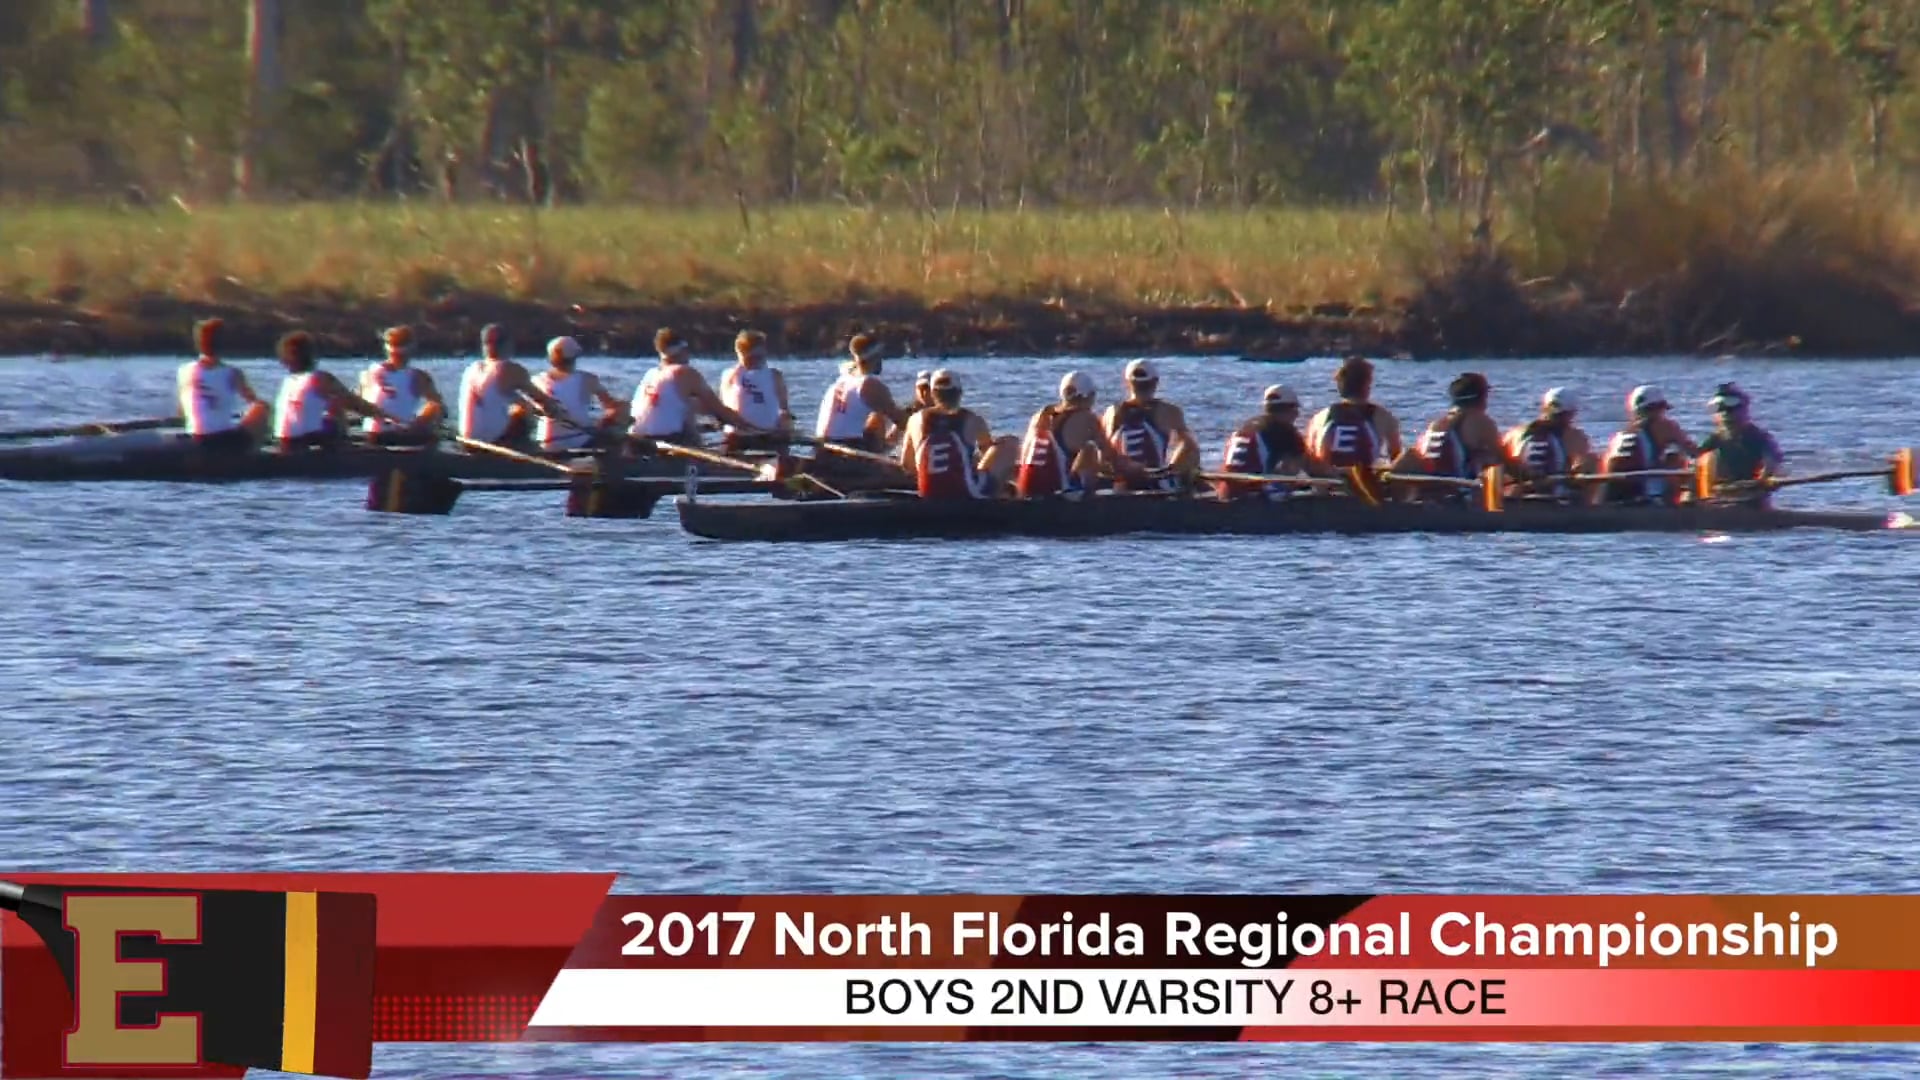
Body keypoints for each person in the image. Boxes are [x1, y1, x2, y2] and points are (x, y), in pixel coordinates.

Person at [898, 369, 1018, 500]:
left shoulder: (914, 420)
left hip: (927, 492)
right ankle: (1002, 498)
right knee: (1010, 443)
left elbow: (907, 464)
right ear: (960, 393)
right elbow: (988, 457)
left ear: (932, 394)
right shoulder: (973, 419)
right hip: (966, 493)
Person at [630, 328, 757, 447]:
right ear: (683, 351)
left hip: (638, 439)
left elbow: (690, 406)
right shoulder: (685, 372)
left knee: (688, 407)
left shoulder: (651, 374)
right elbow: (719, 410)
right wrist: (751, 428)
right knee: (693, 425)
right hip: (668, 441)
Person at [271, 331, 394, 452]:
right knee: (336, 405)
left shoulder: (288, 382)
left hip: (284, 441)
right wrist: (386, 416)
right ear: (312, 355)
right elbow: (354, 403)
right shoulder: (320, 378)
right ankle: (343, 446)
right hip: (305, 439)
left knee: (327, 408)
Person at [1395, 373, 1505, 496]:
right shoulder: (1481, 422)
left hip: (1429, 485)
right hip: (1457, 490)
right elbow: (1503, 459)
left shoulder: (1436, 424)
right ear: (1482, 398)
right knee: (1488, 458)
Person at [457, 324, 564, 447]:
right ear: (508, 345)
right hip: (491, 442)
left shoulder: (471, 369)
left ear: (483, 346)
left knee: (521, 406)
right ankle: (526, 450)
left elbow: (506, 397)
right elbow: (544, 402)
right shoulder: (511, 369)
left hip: (466, 440)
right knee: (524, 412)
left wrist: (535, 408)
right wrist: (559, 413)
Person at [1102, 359, 1199, 491]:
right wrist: (1171, 468)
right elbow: (1190, 447)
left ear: (1127, 383)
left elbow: (1104, 454)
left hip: (1120, 486)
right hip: (1155, 483)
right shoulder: (1169, 411)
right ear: (1155, 382)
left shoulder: (1110, 412)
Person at [176, 318, 268, 454]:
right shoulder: (233, 373)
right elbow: (254, 403)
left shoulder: (183, 370)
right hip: (221, 439)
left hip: (194, 436)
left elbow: (181, 411)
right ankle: (254, 454)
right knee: (263, 407)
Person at [1015, 371, 1111, 499]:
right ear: (1090, 396)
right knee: (1090, 449)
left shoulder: (1038, 416)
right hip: (1059, 496)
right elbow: (1111, 457)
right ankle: (1090, 501)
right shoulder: (1087, 418)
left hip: (1026, 490)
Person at [1597, 384, 1697, 505]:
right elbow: (1694, 453)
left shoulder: (1618, 436)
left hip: (1614, 499)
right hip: (1645, 498)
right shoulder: (1667, 427)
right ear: (1657, 409)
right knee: (1677, 460)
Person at [1217, 384, 1316, 501]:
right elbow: (1310, 467)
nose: (1297, 415)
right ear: (1290, 410)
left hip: (1225, 496)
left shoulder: (1243, 428)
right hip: (1253, 502)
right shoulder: (1284, 431)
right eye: (1296, 411)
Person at [815, 333, 909, 451]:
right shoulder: (870, 384)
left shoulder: (840, 381)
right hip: (846, 453)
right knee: (879, 418)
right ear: (875, 357)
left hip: (821, 449)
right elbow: (904, 422)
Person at [531, 336, 625, 452]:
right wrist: (602, 424)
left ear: (550, 357)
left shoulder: (535, 380)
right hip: (580, 441)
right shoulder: (588, 379)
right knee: (622, 412)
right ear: (576, 356)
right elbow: (612, 408)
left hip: (546, 443)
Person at [1307, 355, 1402, 469]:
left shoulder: (1319, 418)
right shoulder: (1383, 417)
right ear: (1367, 384)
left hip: (1328, 481)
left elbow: (1311, 456)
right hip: (1363, 483)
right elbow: (1396, 459)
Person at [357, 326, 446, 446]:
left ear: (387, 348)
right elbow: (440, 407)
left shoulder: (368, 373)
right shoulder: (418, 376)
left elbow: (359, 406)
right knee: (434, 421)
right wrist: (420, 421)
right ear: (412, 348)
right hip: (401, 435)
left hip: (371, 435)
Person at [1697, 383, 1784, 501]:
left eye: (1731, 410)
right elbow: (1695, 459)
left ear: (1745, 410)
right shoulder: (1714, 439)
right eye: (1720, 409)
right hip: (1719, 495)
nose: (1725, 414)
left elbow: (1773, 464)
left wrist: (1764, 479)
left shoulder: (1760, 438)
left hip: (1752, 498)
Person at [1504, 387, 1594, 499]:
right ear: (1571, 413)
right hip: (1555, 498)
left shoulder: (1515, 434)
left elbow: (1503, 462)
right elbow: (1582, 467)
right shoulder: (1575, 437)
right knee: (1592, 461)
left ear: (1543, 408)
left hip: (1520, 496)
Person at [718, 330, 793, 454]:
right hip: (758, 436)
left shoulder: (728, 375)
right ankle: (784, 461)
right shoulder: (774, 375)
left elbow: (784, 411)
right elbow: (784, 411)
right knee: (785, 425)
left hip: (743, 437)